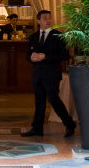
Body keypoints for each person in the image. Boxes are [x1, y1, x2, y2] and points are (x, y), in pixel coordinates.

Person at [22, 9, 75, 138]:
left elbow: (64, 55)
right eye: (45, 18)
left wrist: (45, 56)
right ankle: (37, 128)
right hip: (37, 74)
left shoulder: (58, 36)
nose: (48, 21)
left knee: (53, 99)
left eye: (49, 18)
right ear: (39, 20)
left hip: (51, 74)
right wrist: (31, 57)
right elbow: (28, 54)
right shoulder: (34, 37)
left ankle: (69, 124)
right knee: (39, 101)